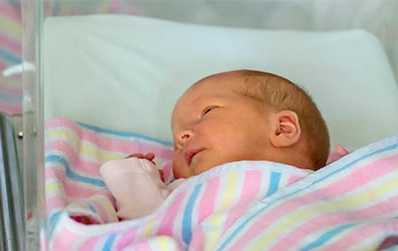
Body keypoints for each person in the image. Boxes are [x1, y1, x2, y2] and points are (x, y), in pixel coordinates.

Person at [101, 69, 331, 220]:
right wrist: (135, 178)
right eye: (175, 145)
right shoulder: (186, 193)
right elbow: (147, 224)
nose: (181, 137)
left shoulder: (334, 181)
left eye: (207, 112)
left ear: (283, 129)